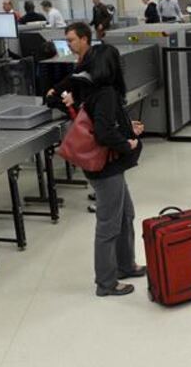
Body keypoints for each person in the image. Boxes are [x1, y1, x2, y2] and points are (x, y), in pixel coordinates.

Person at [61, 22, 146, 297]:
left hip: (110, 167)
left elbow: (105, 123)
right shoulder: (106, 92)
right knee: (109, 223)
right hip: (106, 169)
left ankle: (125, 264)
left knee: (126, 215)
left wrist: (127, 127)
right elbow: (104, 132)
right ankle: (106, 282)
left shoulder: (95, 89)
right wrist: (127, 143)